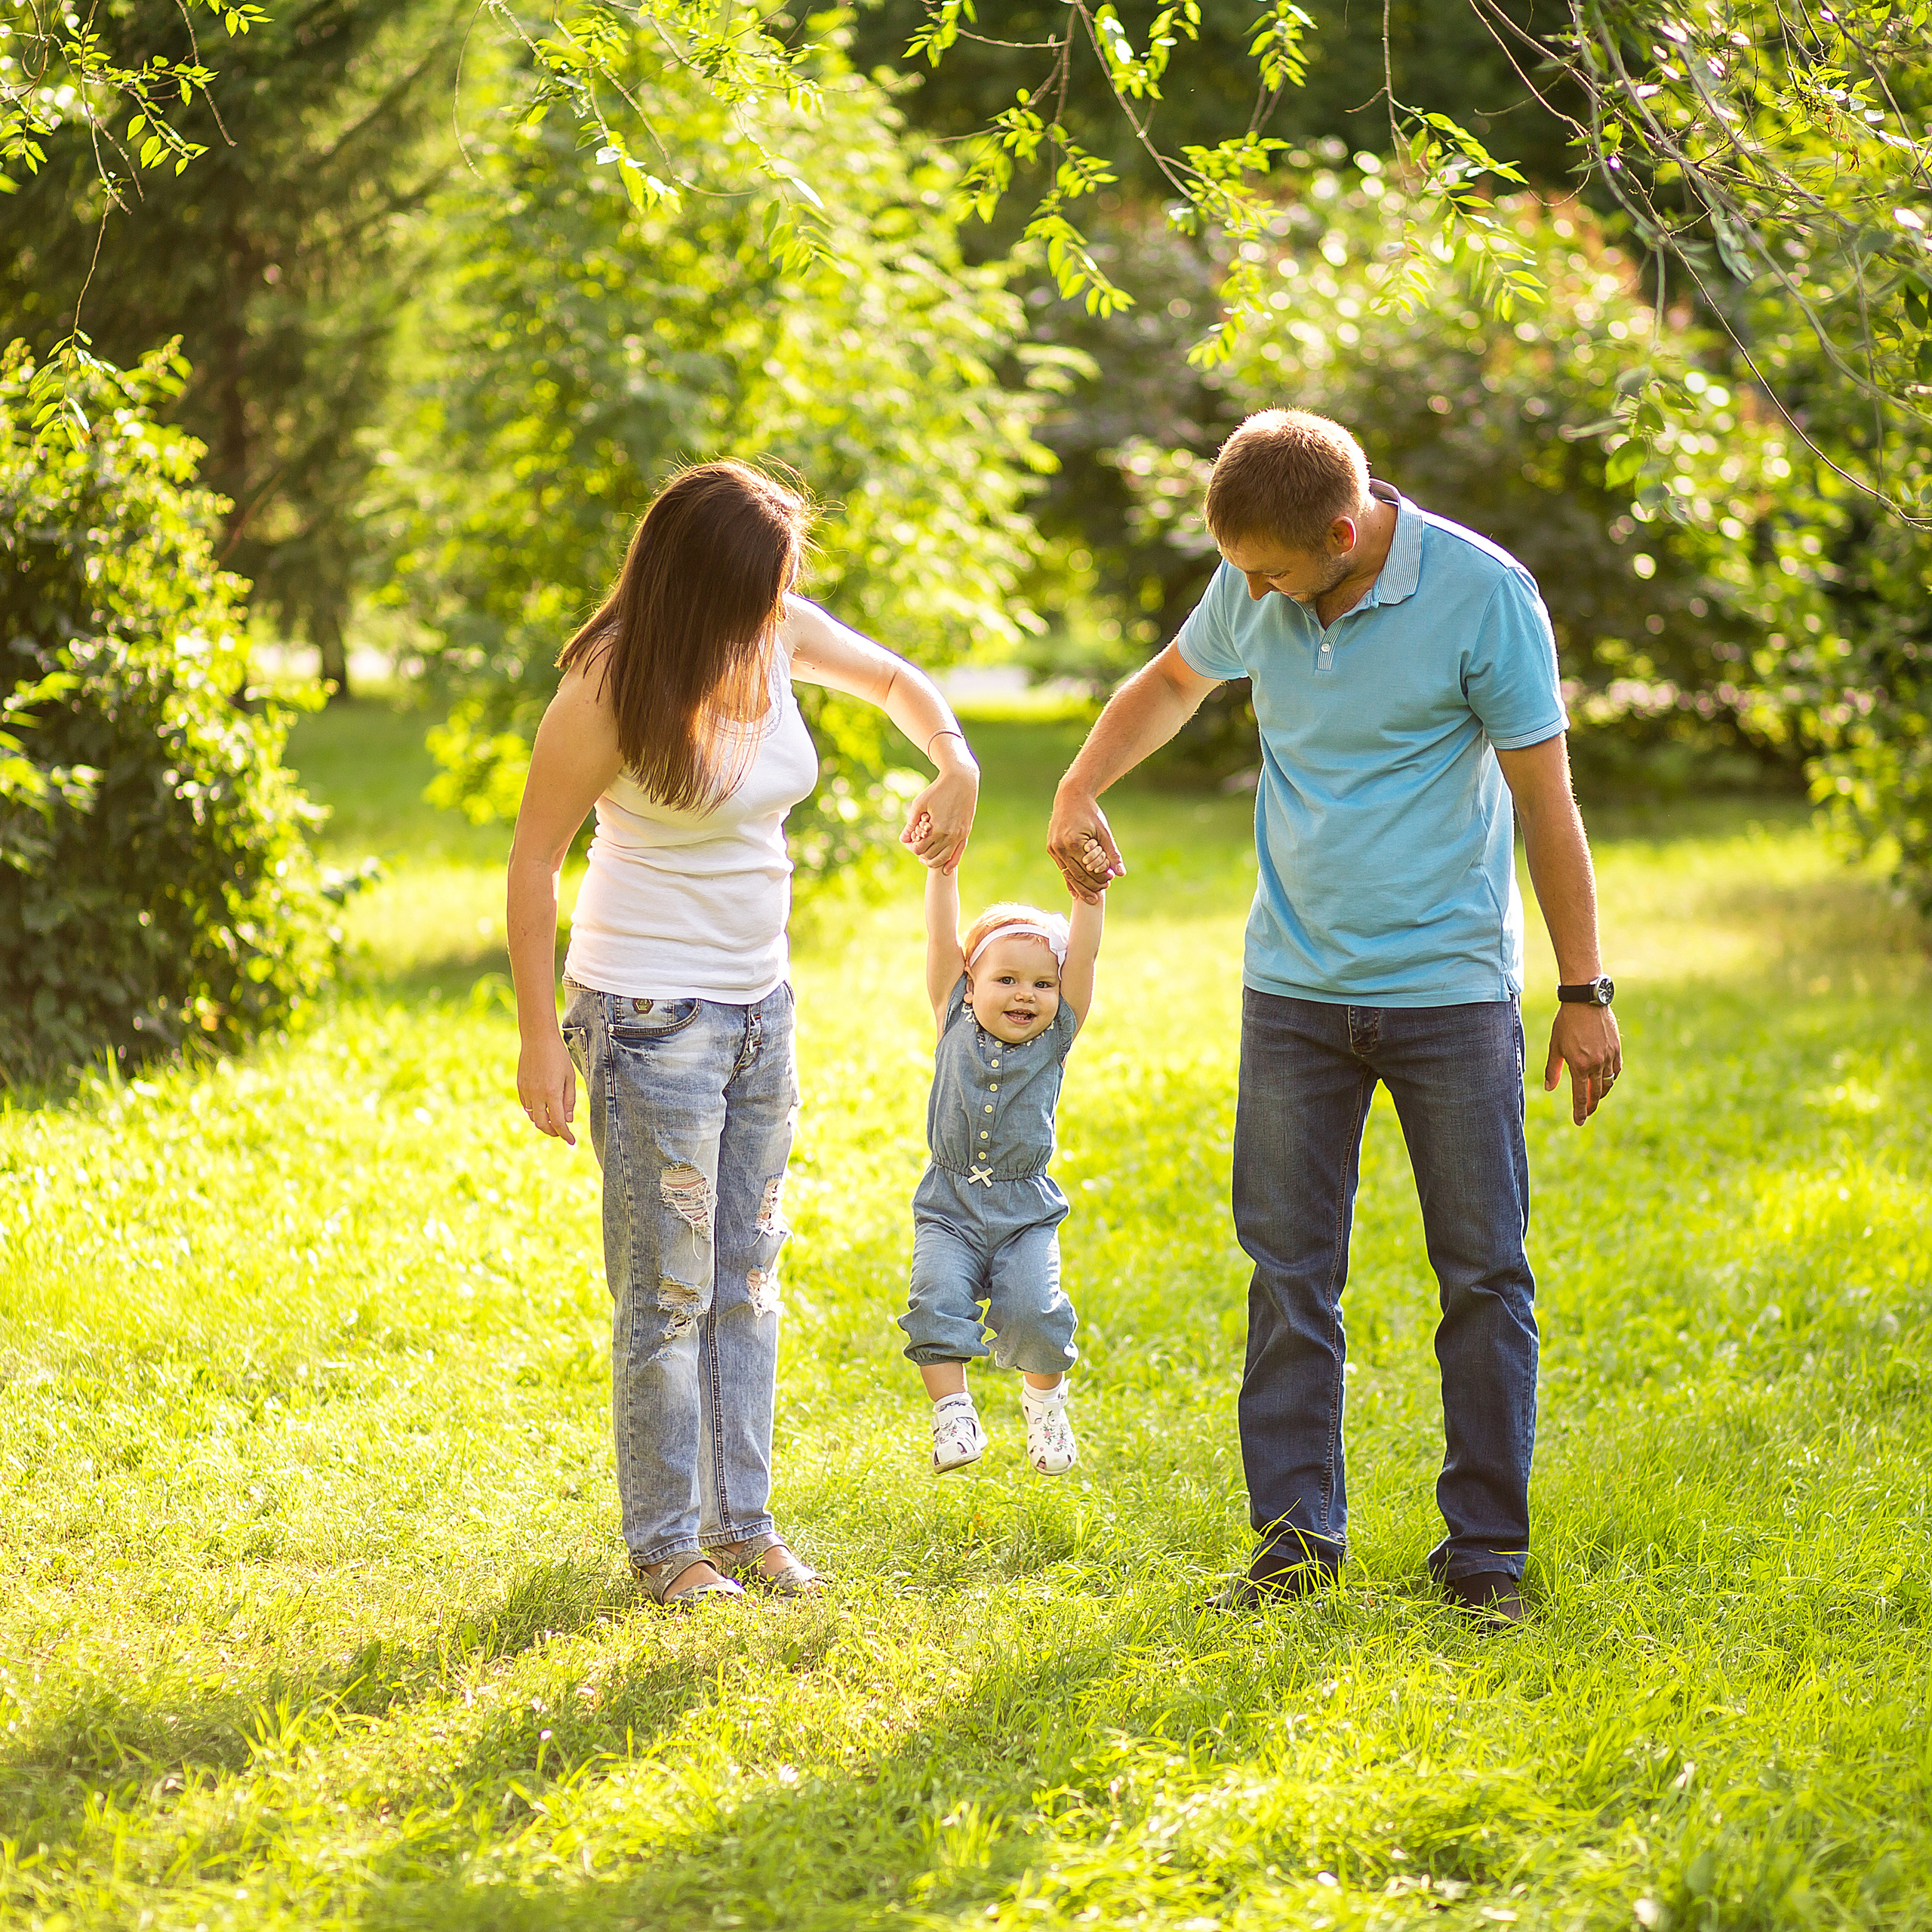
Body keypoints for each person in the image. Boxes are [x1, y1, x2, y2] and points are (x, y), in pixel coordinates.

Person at [1047, 410, 1622, 1624]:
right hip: (1293, 992)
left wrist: (1582, 990)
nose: (1249, 592)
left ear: (1345, 533)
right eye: (1240, 571)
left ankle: (1485, 1557)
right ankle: (1297, 1542)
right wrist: (1080, 782)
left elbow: (1547, 806)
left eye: (1268, 573)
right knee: (1288, 1273)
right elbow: (1171, 683)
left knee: (1482, 1275)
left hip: (1449, 994)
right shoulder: (1259, 576)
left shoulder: (1483, 596)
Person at [507, 460, 979, 1609]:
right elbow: (533, 861)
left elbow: (896, 681)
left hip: (762, 1010)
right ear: (698, 581)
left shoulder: (770, 631)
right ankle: (669, 1547)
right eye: (760, 590)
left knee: (747, 1280)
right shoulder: (611, 682)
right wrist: (536, 1039)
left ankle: (746, 1527)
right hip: (650, 1017)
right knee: (666, 1294)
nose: (778, 612)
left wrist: (955, 757)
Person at [899, 856, 1106, 1476]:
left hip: (1025, 1212)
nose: (1025, 994)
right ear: (969, 984)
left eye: (1043, 984)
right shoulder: (951, 1017)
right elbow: (941, 937)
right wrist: (943, 870)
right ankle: (953, 1414)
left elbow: (1086, 960)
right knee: (934, 1300)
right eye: (1006, 979)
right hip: (949, 1206)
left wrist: (1089, 898)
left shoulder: (1056, 1036)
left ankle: (1045, 1408)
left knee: (1037, 1312)